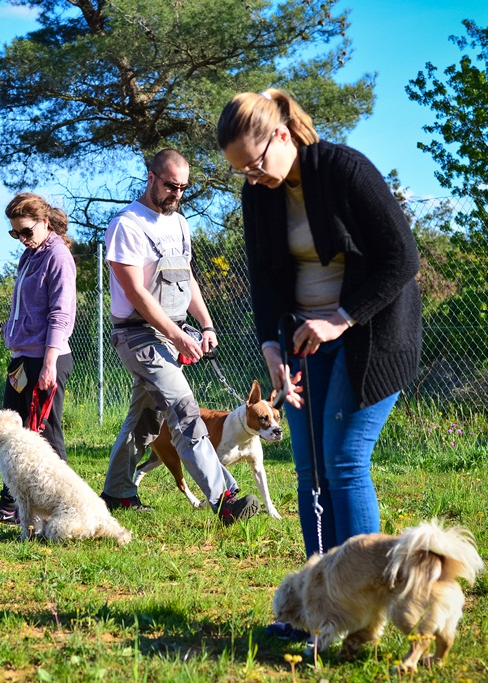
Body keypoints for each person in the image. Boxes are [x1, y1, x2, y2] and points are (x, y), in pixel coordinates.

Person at [217, 89, 422, 632]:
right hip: (302, 343)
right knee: (309, 471)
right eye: (241, 171)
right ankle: (318, 608)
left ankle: (362, 611)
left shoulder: (346, 169)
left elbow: (403, 256)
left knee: (345, 461)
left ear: (282, 136)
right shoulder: (259, 193)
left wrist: (341, 317)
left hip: (368, 338)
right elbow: (263, 275)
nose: (252, 178)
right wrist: (271, 346)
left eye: (256, 165)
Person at [100, 148, 261, 526]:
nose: (176, 194)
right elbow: (136, 293)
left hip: (171, 333)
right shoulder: (127, 225)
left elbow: (186, 280)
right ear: (151, 178)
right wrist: (176, 335)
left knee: (144, 420)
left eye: (183, 188)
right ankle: (226, 498)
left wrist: (204, 325)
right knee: (185, 412)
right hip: (137, 336)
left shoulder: (180, 224)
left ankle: (116, 493)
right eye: (171, 186)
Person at [0, 193, 77, 525]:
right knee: (13, 439)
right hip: (22, 359)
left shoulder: (58, 257)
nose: (22, 240)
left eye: (27, 231)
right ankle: (10, 506)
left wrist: (48, 365)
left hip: (45, 359)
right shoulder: (30, 256)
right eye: (16, 234)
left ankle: (67, 508)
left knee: (46, 437)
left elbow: (61, 315)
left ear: (45, 223)